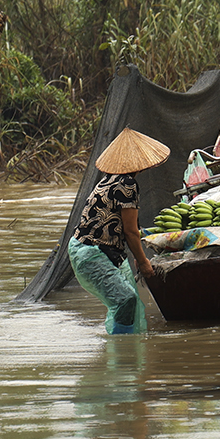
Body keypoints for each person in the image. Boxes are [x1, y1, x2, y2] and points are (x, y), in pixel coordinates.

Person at [67, 127, 170, 334]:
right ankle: (123, 354)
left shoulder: (108, 180)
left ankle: (122, 349)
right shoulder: (127, 184)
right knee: (126, 300)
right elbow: (131, 232)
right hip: (92, 252)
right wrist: (143, 262)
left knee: (127, 303)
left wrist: (134, 253)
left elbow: (124, 229)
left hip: (96, 250)